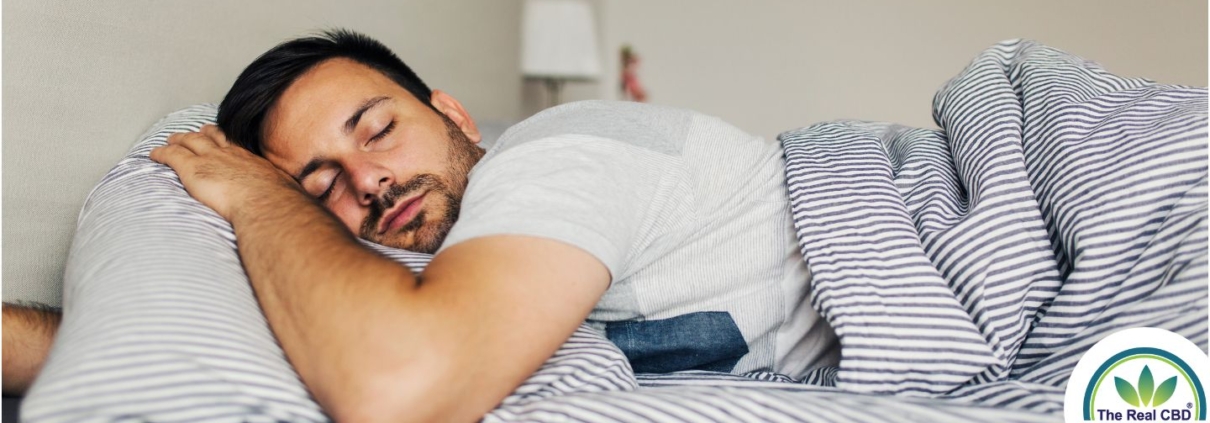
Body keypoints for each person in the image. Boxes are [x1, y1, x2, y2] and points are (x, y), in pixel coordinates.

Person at [2, 29, 838, 422]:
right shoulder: (440, 259)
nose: (369, 181)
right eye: (319, 183)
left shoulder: (565, 150)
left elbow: (400, 385)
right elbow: (196, 335)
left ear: (453, 113)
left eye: (378, 128)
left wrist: (257, 195)